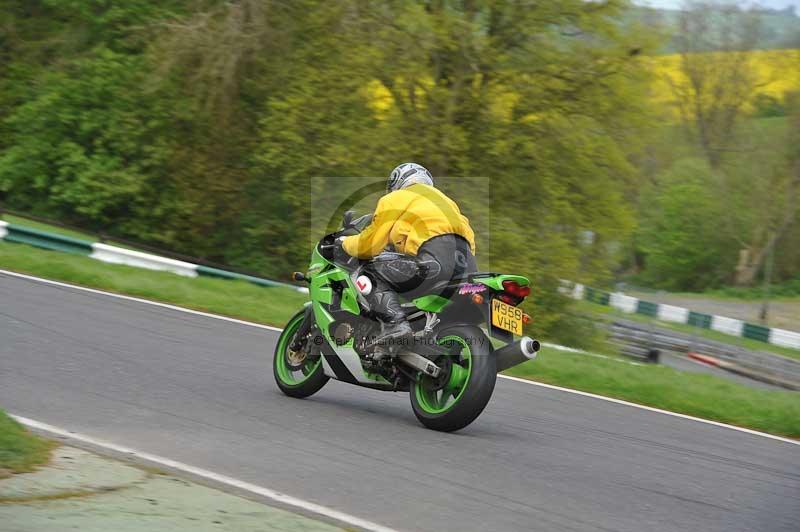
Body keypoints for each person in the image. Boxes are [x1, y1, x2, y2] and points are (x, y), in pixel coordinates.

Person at [338, 163, 477, 346]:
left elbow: (369, 246)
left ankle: (395, 325)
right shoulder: (448, 204)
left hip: (434, 264)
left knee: (369, 271)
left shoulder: (398, 197)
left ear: (397, 181)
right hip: (467, 271)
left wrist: (344, 243)